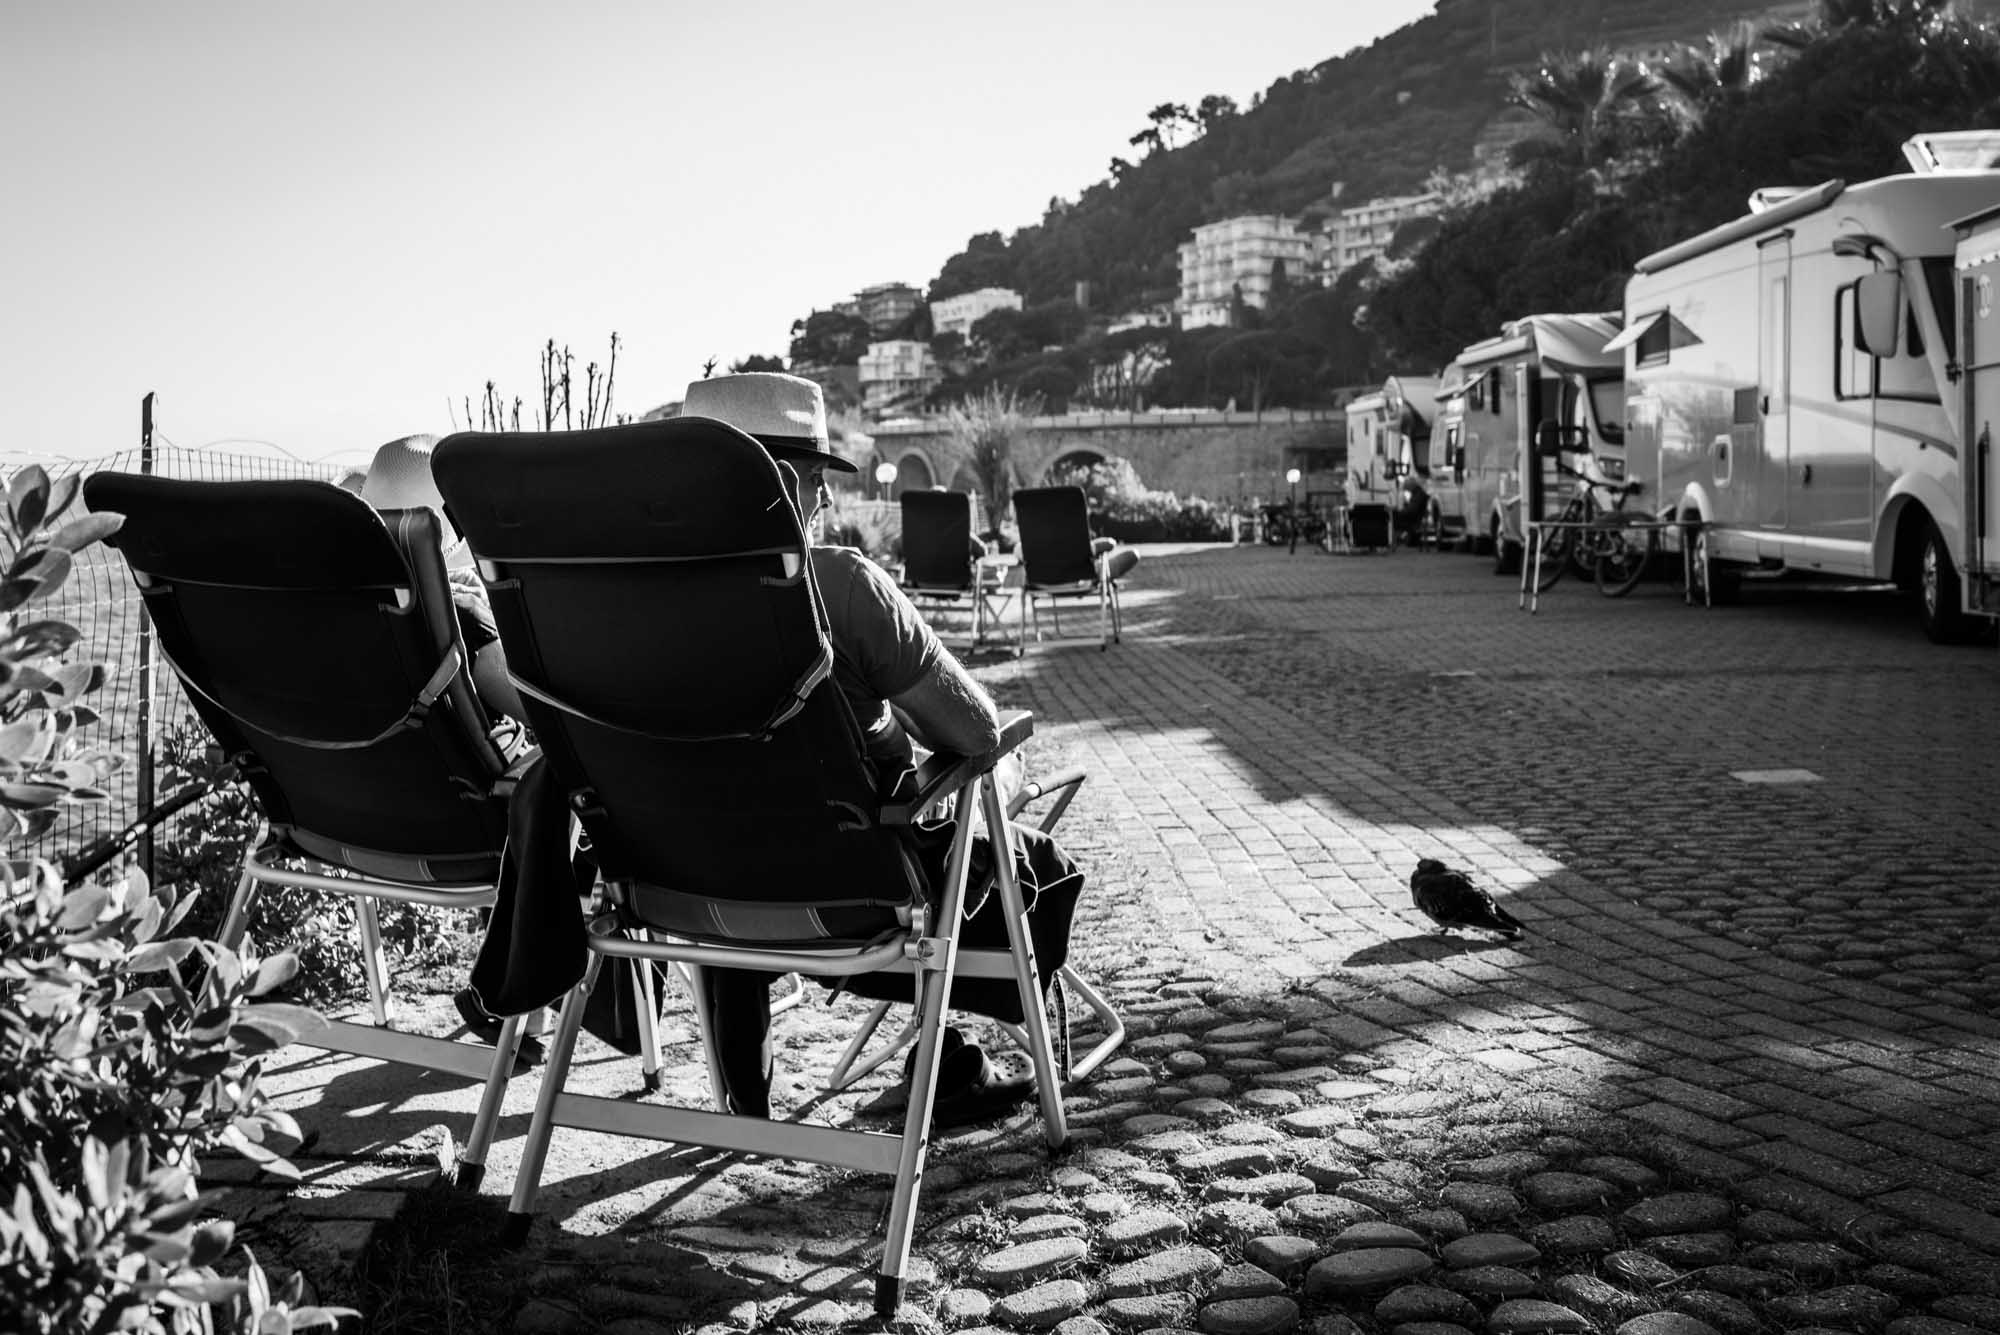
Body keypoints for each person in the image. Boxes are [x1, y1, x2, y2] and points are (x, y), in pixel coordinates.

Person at [678, 372, 1080, 1122]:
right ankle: (968, 1049)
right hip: (859, 898)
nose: (828, 499)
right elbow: (978, 730)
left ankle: (775, 1092)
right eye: (816, 479)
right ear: (781, 484)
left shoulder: (632, 614)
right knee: (993, 793)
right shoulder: (840, 588)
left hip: (700, 891)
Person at [354, 434, 528, 731]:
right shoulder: (460, 618)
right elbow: (540, 715)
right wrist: (491, 618)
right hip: (470, 772)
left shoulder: (340, 603)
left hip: (356, 764)